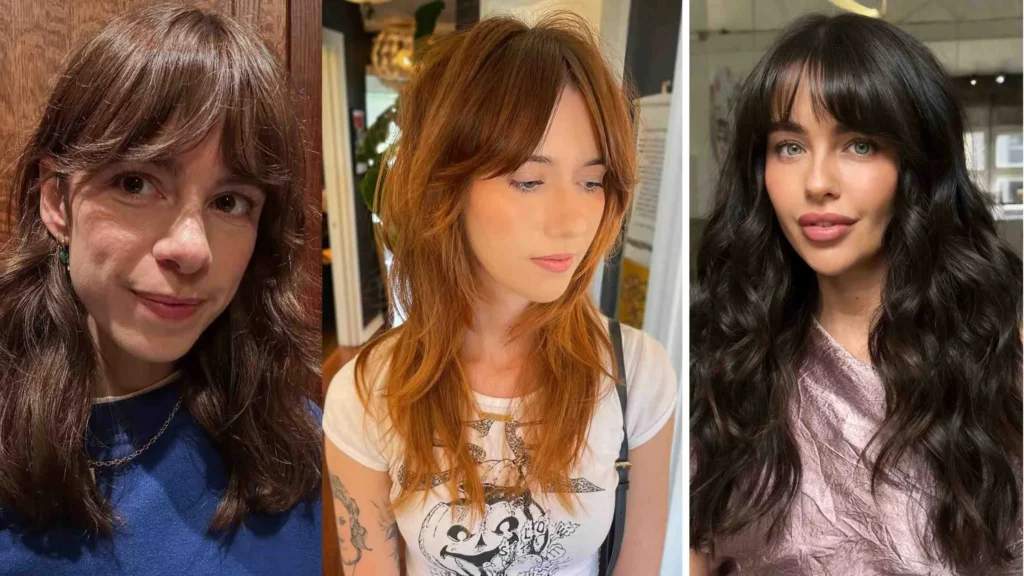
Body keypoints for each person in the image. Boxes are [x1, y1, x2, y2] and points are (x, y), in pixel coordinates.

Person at [323, 12, 678, 576]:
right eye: (529, 180)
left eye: (592, 181)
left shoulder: (636, 373)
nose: (572, 221)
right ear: (447, 187)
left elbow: (639, 564)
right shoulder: (367, 394)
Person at [690, 12, 1022, 576]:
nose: (817, 181)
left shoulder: (1002, 347)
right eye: (789, 146)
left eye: (859, 145)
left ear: (919, 164)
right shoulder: (724, 357)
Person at [0, 5, 323, 574]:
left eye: (230, 202)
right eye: (136, 183)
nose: (191, 247)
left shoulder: (299, 445)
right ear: (57, 200)